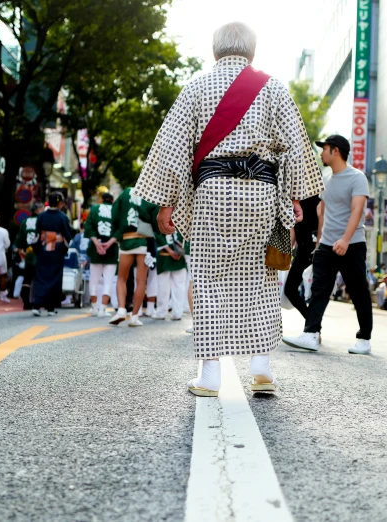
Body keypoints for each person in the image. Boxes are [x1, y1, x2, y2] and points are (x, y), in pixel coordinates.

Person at [135, 22, 323, 396]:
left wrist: (167, 203)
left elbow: (173, 149)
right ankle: (262, 369)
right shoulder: (273, 87)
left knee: (207, 279)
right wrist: (295, 198)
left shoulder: (196, 87)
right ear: (251, 51)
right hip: (263, 195)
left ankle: (209, 376)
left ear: (215, 50)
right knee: (263, 280)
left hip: (213, 194)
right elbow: (296, 147)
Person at [283, 134, 371, 354]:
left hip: (352, 244)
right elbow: (322, 212)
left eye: (325, 149)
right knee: (319, 289)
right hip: (326, 246)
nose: (321, 153)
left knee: (358, 290)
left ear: (336, 151)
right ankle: (311, 334)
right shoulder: (325, 179)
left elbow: (357, 211)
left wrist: (345, 239)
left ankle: (364, 339)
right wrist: (320, 242)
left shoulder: (357, 178)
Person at [108, 187, 149, 327]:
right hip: (144, 239)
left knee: (121, 278)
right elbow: (154, 214)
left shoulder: (125, 192)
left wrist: (117, 234)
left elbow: (114, 213)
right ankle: (135, 316)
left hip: (126, 238)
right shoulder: (149, 192)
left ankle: (121, 309)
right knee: (141, 280)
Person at [32, 192, 73, 316]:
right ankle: (50, 307)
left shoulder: (42, 216)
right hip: (57, 250)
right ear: (60, 203)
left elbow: (37, 232)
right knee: (55, 278)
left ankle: (37, 305)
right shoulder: (63, 217)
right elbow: (68, 234)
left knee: (40, 276)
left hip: (43, 249)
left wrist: (38, 248)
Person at [284, 194, 320, 317]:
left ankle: (312, 327)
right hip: (304, 252)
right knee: (290, 289)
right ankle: (311, 324)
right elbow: (292, 229)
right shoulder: (295, 202)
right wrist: (287, 255)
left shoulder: (318, 201)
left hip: (317, 250)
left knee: (317, 293)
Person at [85, 193, 118, 317]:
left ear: (101, 199)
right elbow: (119, 230)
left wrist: (97, 244)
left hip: (96, 248)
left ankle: (94, 308)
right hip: (111, 248)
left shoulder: (94, 209)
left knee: (94, 279)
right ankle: (103, 309)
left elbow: (89, 227)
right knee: (108, 280)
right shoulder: (116, 210)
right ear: (112, 200)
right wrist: (109, 243)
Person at [15, 202, 45, 310]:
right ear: (38, 210)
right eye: (42, 208)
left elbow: (20, 238)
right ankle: (38, 302)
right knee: (39, 278)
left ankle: (26, 302)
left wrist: (19, 250)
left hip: (28, 253)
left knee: (27, 279)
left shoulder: (25, 221)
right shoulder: (42, 220)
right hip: (40, 253)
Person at [154, 230, 188, 320]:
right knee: (178, 286)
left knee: (164, 286)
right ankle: (177, 313)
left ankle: (162, 312)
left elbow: (157, 233)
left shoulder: (161, 216)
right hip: (177, 254)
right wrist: (180, 250)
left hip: (167, 255)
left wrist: (171, 251)